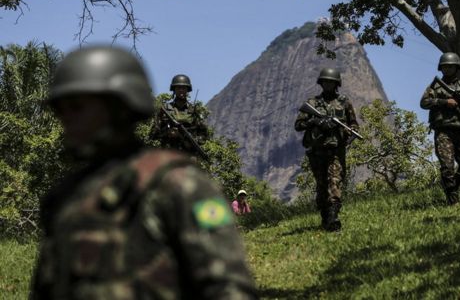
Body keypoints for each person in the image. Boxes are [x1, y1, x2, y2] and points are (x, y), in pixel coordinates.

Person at [30, 45, 257, 299]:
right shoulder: (64, 197)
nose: (66, 118)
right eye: (60, 109)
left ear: (118, 107)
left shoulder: (181, 185)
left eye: (77, 107)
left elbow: (228, 287)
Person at [294, 68, 359, 232]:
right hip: (317, 152)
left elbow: (354, 124)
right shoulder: (312, 104)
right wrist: (315, 122)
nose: (328, 84)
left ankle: (333, 219)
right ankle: (325, 217)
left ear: (336, 84)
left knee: (335, 182)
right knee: (322, 186)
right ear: (321, 83)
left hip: (336, 151)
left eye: (331, 82)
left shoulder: (344, 102)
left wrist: (349, 135)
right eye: (325, 81)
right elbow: (298, 125)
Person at [420, 52, 460, 205]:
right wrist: (444, 102)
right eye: (444, 67)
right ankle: (452, 200)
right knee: (447, 166)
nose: (447, 69)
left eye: (450, 67)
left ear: (457, 67)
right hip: (443, 131)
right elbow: (424, 103)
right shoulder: (435, 86)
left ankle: (451, 186)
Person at [149, 73, 210, 161]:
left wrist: (192, 141)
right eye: (178, 88)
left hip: (189, 155)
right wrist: (168, 132)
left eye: (184, 88)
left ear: (187, 90)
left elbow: (204, 134)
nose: (181, 90)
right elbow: (153, 134)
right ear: (174, 89)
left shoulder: (194, 111)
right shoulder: (165, 110)